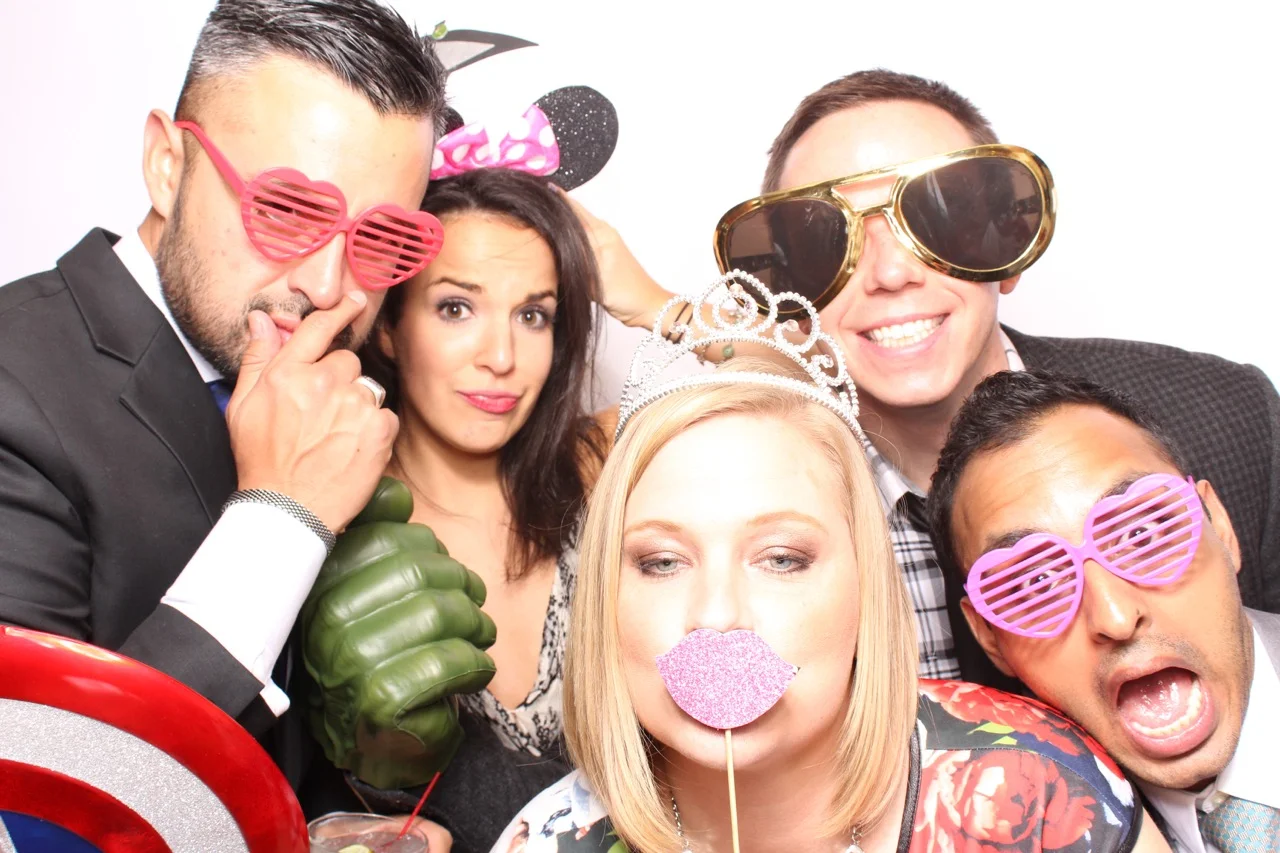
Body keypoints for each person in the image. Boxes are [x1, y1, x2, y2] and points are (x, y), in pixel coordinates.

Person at [577, 68, 1280, 686]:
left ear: (1008, 246)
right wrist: (656, 307)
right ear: (789, 289)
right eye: (826, 240)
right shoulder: (756, 508)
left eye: (942, 219)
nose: (890, 273)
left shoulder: (1227, 418)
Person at [0, 1, 484, 826]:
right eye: (288, 209)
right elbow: (39, 809)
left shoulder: (338, 389)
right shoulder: (16, 383)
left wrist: (370, 789)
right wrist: (282, 521)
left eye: (382, 239)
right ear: (167, 165)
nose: (328, 285)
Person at [493, 277, 1170, 853]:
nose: (717, 614)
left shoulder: (1044, 787)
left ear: (866, 583)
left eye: (782, 558)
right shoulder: (545, 841)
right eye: (662, 562)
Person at [299, 168, 668, 853]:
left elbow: (809, 407)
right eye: (455, 308)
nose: (501, 357)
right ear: (388, 326)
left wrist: (648, 300)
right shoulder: (327, 506)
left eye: (533, 315)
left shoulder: (600, 465)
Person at [927, 369, 1280, 852]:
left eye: (1140, 534)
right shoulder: (1028, 826)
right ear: (990, 638)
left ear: (1218, 526)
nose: (1114, 617)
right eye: (1035, 583)